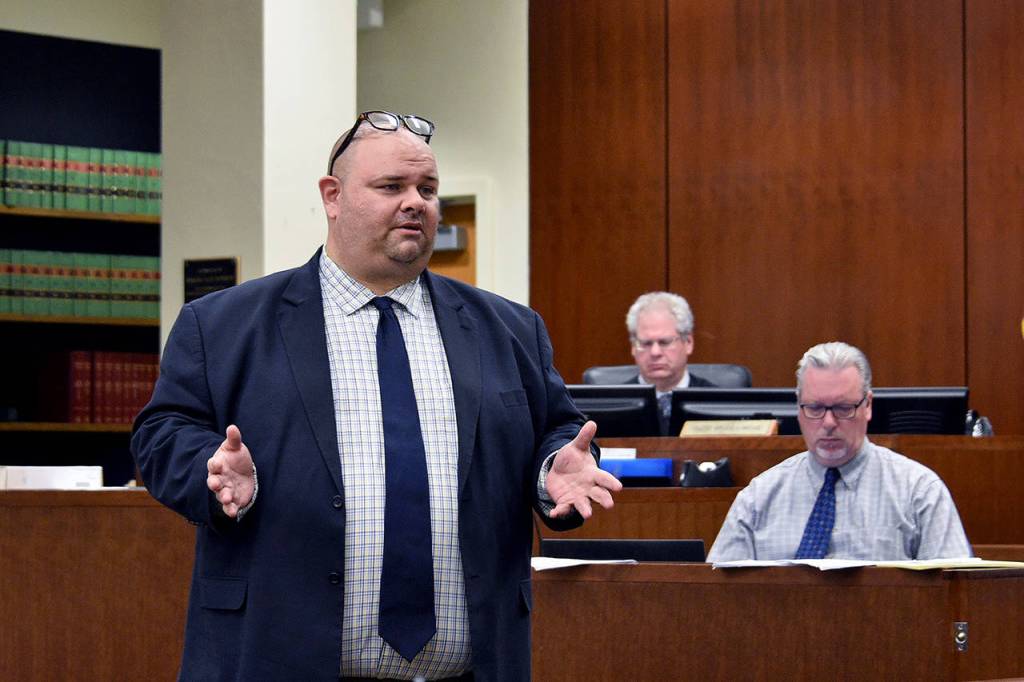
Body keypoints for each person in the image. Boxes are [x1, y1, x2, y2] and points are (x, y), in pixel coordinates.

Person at [131, 110, 622, 681]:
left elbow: (558, 432)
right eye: (391, 187)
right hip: (277, 657)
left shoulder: (509, 328)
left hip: (471, 669)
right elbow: (161, 433)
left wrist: (550, 472)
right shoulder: (223, 324)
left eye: (428, 189)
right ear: (332, 196)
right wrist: (210, 471)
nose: (415, 203)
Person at [707, 341, 971, 562]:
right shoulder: (759, 497)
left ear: (867, 405)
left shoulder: (919, 491)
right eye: (815, 408)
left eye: (844, 408)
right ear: (798, 407)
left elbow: (955, 592)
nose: (829, 423)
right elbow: (717, 595)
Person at [626, 292, 714, 434]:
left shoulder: (716, 401)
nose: (655, 352)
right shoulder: (612, 403)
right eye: (646, 343)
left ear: (688, 343)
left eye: (665, 342)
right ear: (633, 347)